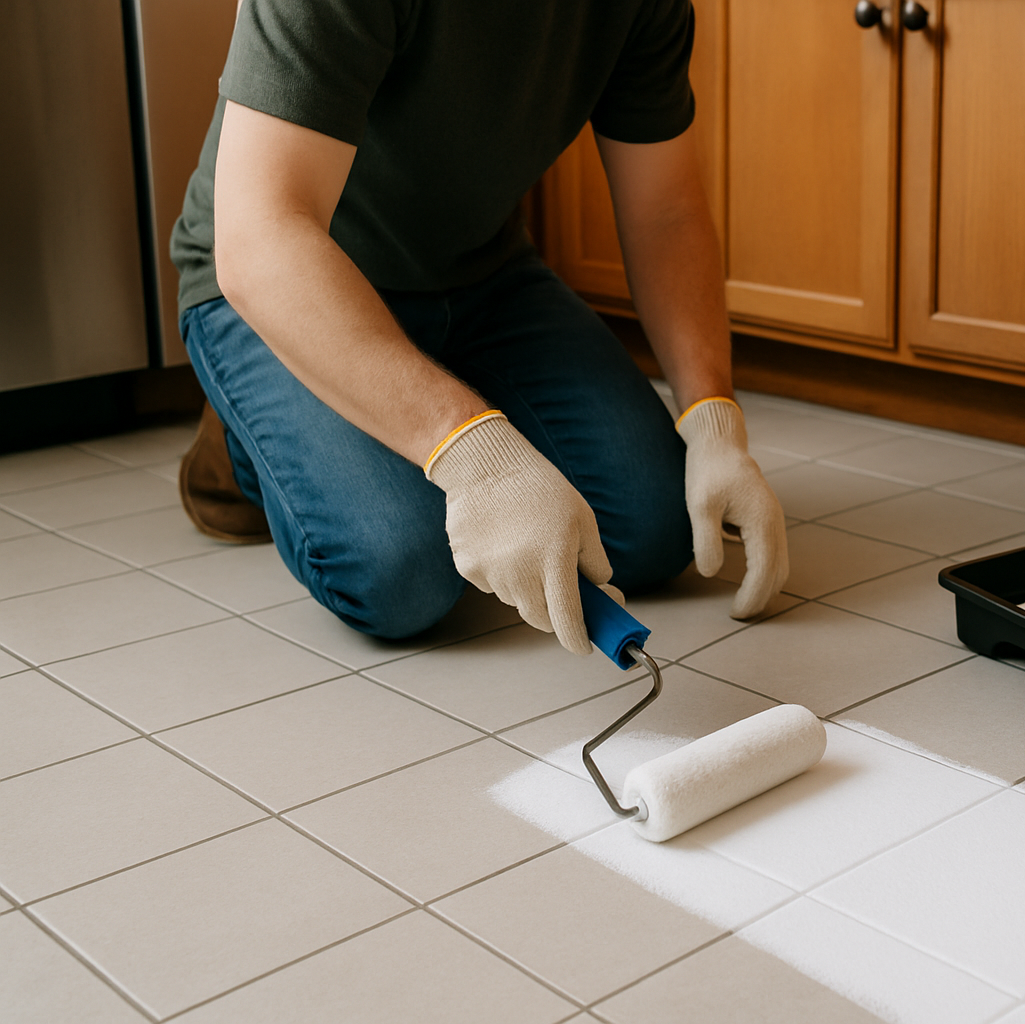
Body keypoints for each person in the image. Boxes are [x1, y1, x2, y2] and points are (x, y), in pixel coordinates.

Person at [170, 0, 788, 654]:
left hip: (480, 274)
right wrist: (477, 462)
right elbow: (262, 237)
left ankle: (429, 398)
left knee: (659, 526)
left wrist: (714, 420)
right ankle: (241, 442)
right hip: (290, 283)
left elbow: (665, 210)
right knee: (402, 574)